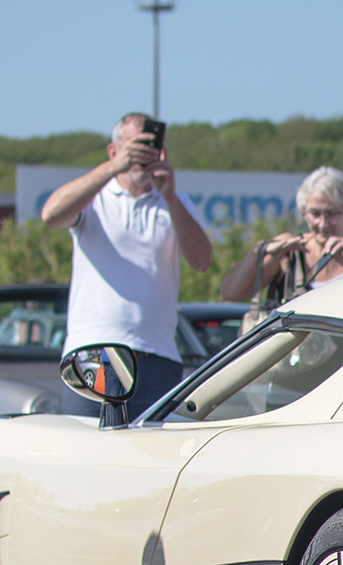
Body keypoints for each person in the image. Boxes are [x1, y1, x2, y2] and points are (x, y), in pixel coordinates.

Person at [40, 113, 213, 414]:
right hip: (93, 353)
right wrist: (113, 169)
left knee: (151, 457)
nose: (143, 156)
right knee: (87, 451)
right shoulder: (94, 199)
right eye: (135, 147)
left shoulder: (176, 203)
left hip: (157, 356)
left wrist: (169, 196)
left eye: (151, 147)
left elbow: (201, 261)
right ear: (113, 151)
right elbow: (51, 214)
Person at [219, 167, 343, 305]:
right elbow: (229, 293)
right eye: (315, 213)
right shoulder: (290, 252)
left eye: (331, 213)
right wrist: (260, 250)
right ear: (303, 213)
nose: (322, 223)